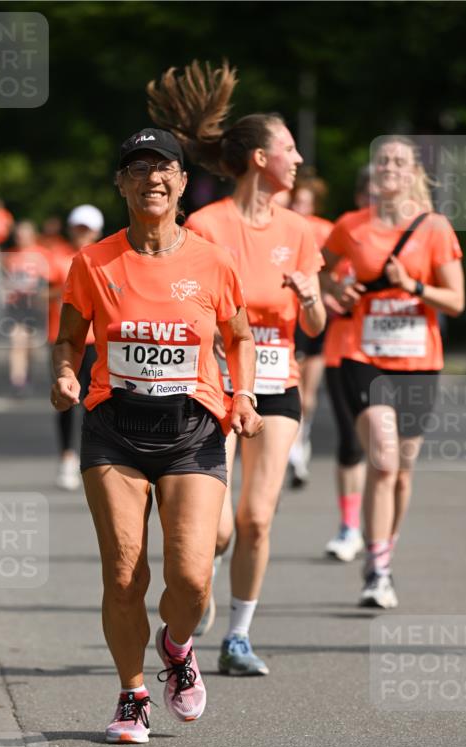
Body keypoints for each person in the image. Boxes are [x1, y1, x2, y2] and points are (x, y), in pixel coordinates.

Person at [50, 126, 262, 744]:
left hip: (191, 429)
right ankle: (133, 695)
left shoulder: (211, 261)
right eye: (138, 169)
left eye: (163, 168)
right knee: (124, 574)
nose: (152, 179)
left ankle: (176, 646)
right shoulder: (93, 262)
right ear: (121, 184)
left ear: (182, 183)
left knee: (192, 579)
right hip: (114, 429)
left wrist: (244, 395)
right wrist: (65, 373)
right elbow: (68, 337)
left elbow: (241, 337)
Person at [147, 60, 326, 672]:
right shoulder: (206, 226)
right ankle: (202, 579)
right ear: (258, 158)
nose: (298, 159)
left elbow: (316, 328)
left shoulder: (300, 230)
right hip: (215, 387)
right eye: (289, 149)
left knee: (256, 518)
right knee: (216, 529)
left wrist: (309, 300)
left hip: (277, 385)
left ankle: (239, 637)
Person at [322, 136, 464, 607]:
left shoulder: (435, 228)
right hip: (364, 358)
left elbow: (456, 301)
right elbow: (323, 268)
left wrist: (415, 285)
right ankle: (377, 571)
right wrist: (334, 293)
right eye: (382, 158)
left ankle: (383, 550)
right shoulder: (350, 226)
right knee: (382, 456)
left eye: (399, 161)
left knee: (402, 470)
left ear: (411, 174)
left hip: (419, 362)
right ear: (374, 171)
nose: (388, 166)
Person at [322, 166, 371, 562]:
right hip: (344, 352)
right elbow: (322, 283)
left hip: (395, 360)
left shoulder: (412, 243)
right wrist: (335, 297)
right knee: (351, 441)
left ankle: (380, 528)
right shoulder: (345, 241)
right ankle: (349, 526)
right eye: (369, 194)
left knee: (389, 451)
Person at [45, 205, 104, 490]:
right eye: (78, 228)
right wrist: (70, 289)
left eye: (87, 229)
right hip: (62, 339)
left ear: (96, 231)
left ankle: (95, 457)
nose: (82, 234)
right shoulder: (57, 258)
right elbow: (39, 293)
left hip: (97, 341)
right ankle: (67, 457)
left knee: (97, 402)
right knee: (66, 400)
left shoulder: (105, 260)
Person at [287, 172, 334, 487]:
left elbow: (336, 270)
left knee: (309, 396)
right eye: (296, 200)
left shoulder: (326, 231)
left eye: (305, 201)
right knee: (294, 390)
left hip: (316, 315)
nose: (300, 206)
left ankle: (302, 439)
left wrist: (331, 293)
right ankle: (293, 449)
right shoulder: (282, 228)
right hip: (288, 316)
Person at [5, 220, 50, 395]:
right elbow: (6, 280)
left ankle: (26, 374)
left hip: (36, 307)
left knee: (30, 347)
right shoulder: (10, 256)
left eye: (24, 235)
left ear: (33, 236)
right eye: (17, 235)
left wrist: (36, 289)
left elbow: (48, 281)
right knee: (17, 342)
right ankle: (18, 381)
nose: (20, 238)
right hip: (16, 306)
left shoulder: (43, 255)